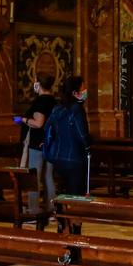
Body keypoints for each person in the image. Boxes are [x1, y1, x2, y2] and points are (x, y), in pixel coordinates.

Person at [43, 75, 90, 197]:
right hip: (75, 159)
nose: (85, 92)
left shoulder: (57, 109)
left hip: (59, 159)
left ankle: (63, 214)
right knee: (76, 195)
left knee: (67, 193)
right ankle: (73, 215)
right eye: (83, 89)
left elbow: (47, 127)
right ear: (75, 93)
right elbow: (82, 134)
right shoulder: (77, 109)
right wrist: (88, 146)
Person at [15, 73, 58, 206]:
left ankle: (33, 211)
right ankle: (52, 210)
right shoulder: (54, 100)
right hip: (50, 143)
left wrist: (22, 119)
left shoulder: (41, 101)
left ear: (38, 83)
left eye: (35, 81)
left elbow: (39, 123)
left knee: (34, 179)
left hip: (37, 143)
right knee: (48, 177)